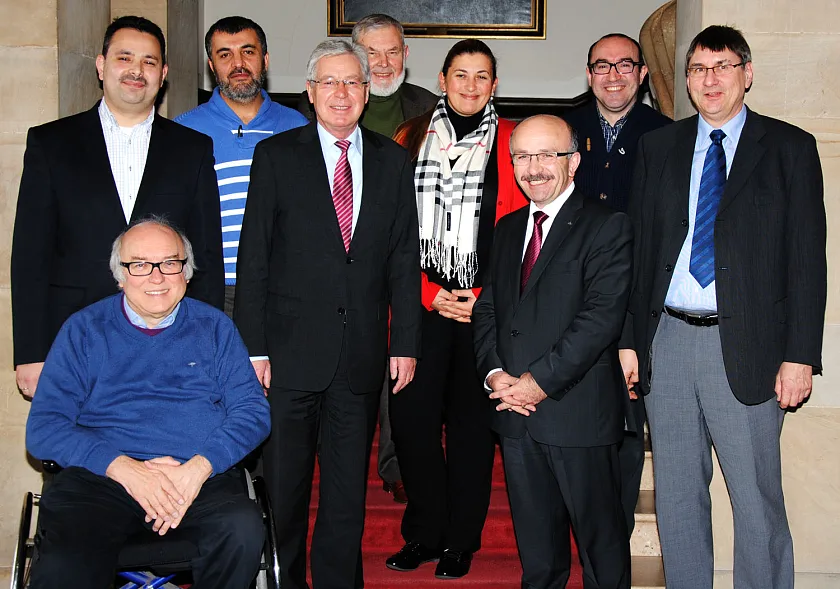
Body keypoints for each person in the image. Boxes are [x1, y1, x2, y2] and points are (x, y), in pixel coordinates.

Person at [622, 25, 825, 589]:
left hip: (750, 347)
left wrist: (801, 355)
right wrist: (629, 340)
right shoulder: (657, 147)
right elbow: (637, 253)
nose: (709, 80)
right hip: (667, 340)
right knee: (679, 499)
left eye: (722, 66)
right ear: (686, 80)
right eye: (698, 69)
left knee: (756, 499)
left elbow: (808, 261)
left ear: (747, 73)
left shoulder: (789, 148)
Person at [234, 39, 421, 589]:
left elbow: (404, 258)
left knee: (346, 493)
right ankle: (284, 580)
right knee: (286, 489)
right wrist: (254, 347)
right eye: (330, 83)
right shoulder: (276, 156)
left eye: (353, 83)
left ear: (367, 92)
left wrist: (405, 341)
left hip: (360, 355)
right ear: (311, 92)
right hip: (289, 356)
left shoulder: (393, 160)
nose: (342, 94)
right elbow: (255, 257)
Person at [25, 218, 271, 589]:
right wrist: (126, 469)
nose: (156, 277)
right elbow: (44, 428)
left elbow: (253, 412)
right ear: (119, 275)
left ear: (186, 273)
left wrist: (198, 469)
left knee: (242, 529)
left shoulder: (216, 328)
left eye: (169, 263)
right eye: (139, 264)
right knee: (64, 558)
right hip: (102, 480)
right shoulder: (83, 330)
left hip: (197, 479)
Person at [12, 16, 224, 399]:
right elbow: (30, 255)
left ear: (163, 74)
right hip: (74, 336)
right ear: (101, 65)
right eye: (125, 58)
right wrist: (31, 353)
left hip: (167, 338)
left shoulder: (193, 149)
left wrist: (204, 344)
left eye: (149, 61)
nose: (136, 71)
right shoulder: (51, 143)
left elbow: (206, 254)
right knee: (80, 454)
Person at [385, 39, 527, 580]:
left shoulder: (514, 141)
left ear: (495, 84)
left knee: (471, 429)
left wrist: (485, 297)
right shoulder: (409, 136)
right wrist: (427, 291)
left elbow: (519, 234)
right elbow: (396, 230)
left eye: (482, 76)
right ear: (442, 79)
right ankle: (424, 532)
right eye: (460, 74)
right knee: (413, 424)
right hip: (421, 303)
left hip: (482, 307)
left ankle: (461, 540)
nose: (470, 85)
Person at [473, 114, 632, 589]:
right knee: (538, 559)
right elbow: (489, 311)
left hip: (577, 411)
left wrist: (537, 382)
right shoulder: (505, 229)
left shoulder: (607, 226)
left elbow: (600, 319)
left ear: (574, 162)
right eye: (522, 155)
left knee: (601, 553)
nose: (534, 167)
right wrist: (495, 374)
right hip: (516, 416)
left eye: (548, 155)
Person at [563, 32, 671, 537]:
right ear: (588, 75)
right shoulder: (563, 130)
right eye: (601, 65)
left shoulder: (668, 135)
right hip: (568, 303)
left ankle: (615, 538)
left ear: (643, 73)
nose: (613, 74)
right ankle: (573, 529)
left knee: (630, 422)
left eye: (625, 64)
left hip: (639, 303)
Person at [175, 16, 307, 317]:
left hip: (285, 288)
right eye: (225, 55)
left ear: (265, 59)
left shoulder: (298, 128)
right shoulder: (183, 131)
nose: (238, 64)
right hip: (211, 290)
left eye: (248, 52)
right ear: (211, 65)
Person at [297, 13, 437, 137]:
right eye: (372, 53)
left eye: (392, 52)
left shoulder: (429, 106)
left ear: (405, 54)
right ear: (355, 56)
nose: (384, 63)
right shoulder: (321, 102)